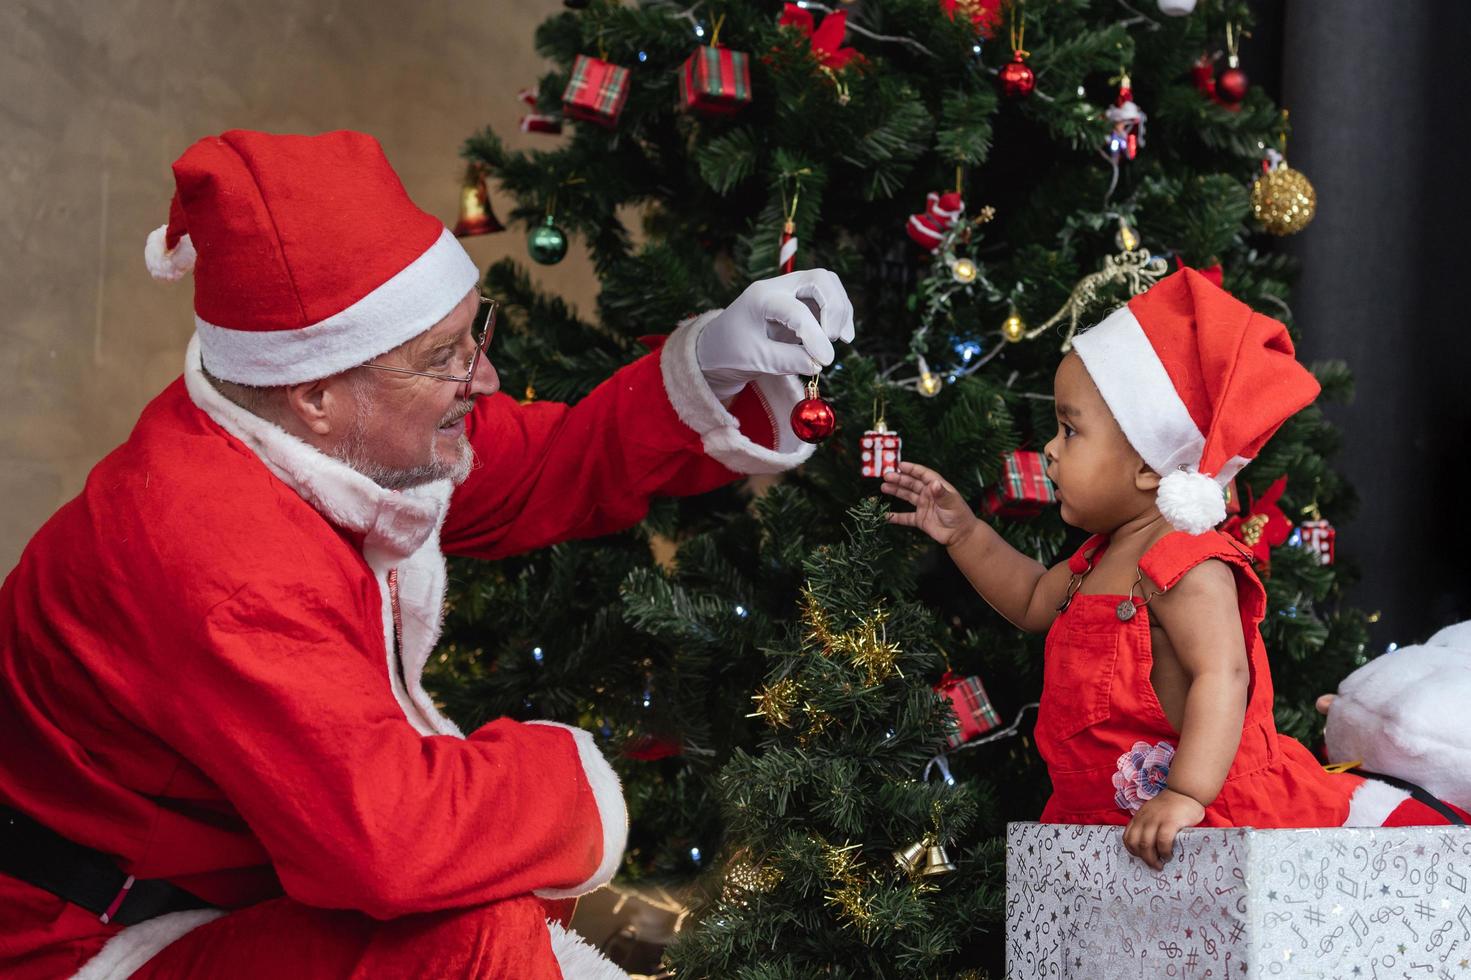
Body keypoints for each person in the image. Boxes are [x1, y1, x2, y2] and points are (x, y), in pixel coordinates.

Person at [0, 129, 855, 978]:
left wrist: (708, 366)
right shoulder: (224, 558)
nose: (482, 376)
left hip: (211, 890)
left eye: (470, 331)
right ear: (317, 394)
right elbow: (389, 841)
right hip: (81, 943)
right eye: (442, 357)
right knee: (472, 938)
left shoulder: (314, 434)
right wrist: (571, 779)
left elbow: (538, 468)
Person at [882, 268, 1465, 871]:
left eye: (1070, 429)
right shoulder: (1093, 562)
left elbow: (1223, 676)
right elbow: (1031, 596)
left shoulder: (1189, 565)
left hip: (1204, 820)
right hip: (1106, 822)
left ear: (1149, 468)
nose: (1050, 449)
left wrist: (1187, 791)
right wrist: (966, 533)